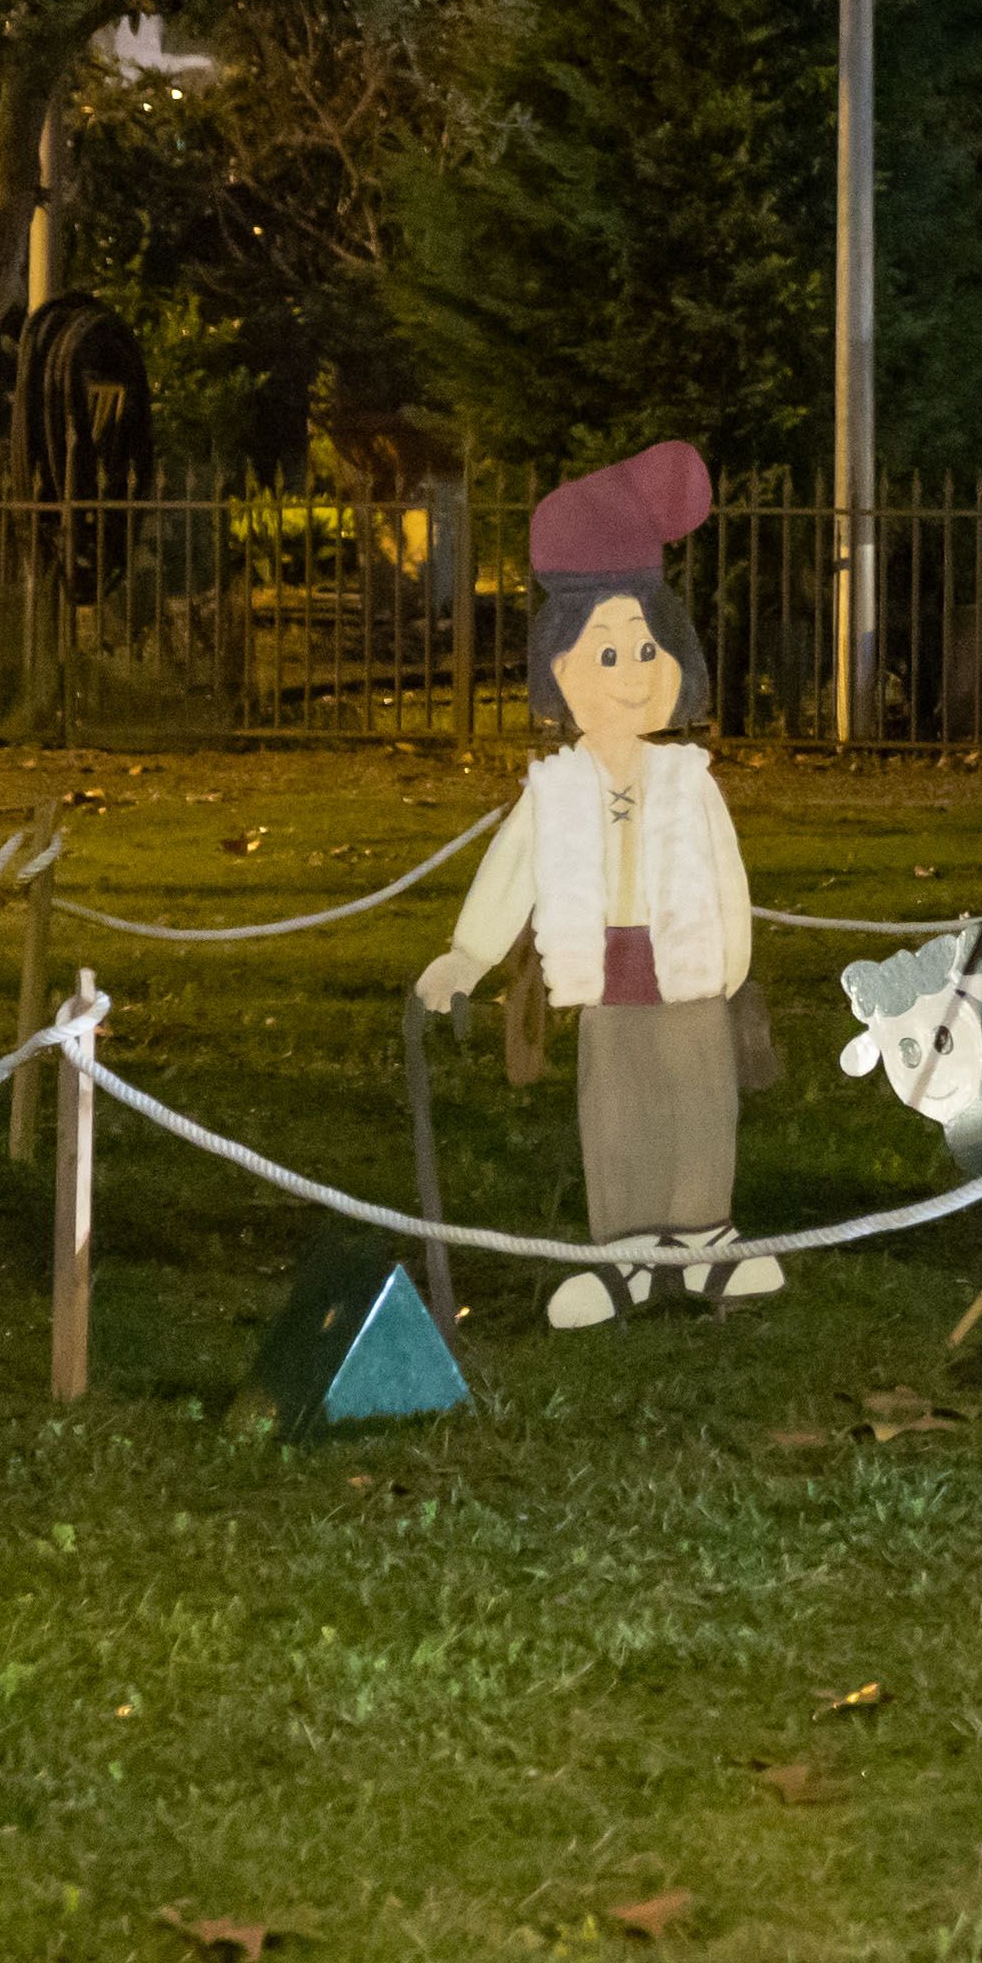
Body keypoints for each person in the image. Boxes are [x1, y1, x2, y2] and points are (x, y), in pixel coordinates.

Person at [414, 441, 771, 1327]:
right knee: (615, 1100)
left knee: (699, 1092)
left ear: (676, 661)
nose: (629, 675)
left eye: (645, 650)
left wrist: (734, 955)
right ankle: (625, 1253)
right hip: (603, 969)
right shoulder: (556, 792)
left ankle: (705, 1242)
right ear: (559, 670)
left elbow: (725, 870)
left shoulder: (690, 778)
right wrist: (466, 955)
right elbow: (512, 874)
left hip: (686, 964)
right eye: (603, 656)